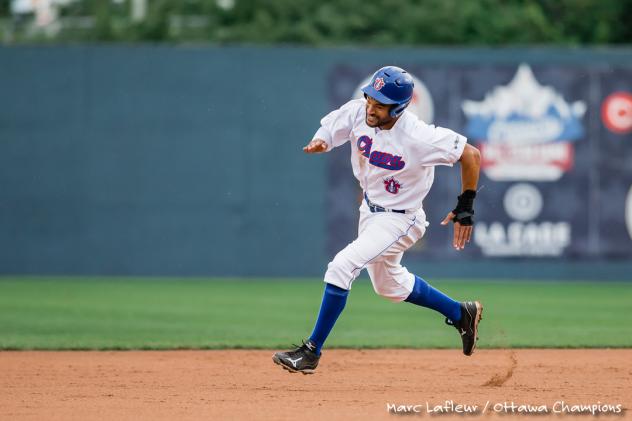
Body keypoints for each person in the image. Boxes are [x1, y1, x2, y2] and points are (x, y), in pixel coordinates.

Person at [272, 66, 483, 374]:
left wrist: (465, 207)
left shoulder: (418, 135)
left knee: (342, 266)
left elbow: (472, 155)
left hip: (401, 220)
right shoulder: (360, 112)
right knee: (388, 285)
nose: (371, 106)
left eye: (380, 104)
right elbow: (333, 126)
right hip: (370, 212)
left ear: (399, 107)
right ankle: (460, 313)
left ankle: (310, 352)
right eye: (370, 98)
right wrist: (321, 140)